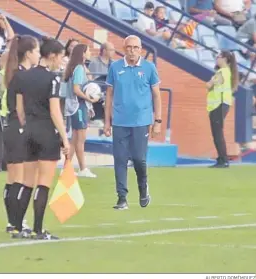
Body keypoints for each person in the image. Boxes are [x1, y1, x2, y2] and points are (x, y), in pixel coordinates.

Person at [15, 37, 69, 240]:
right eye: (61, 57)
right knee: (43, 183)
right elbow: (55, 112)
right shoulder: (53, 79)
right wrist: (65, 137)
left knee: (27, 182)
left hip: (28, 130)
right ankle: (38, 229)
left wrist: (27, 125)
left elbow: (19, 110)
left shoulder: (24, 76)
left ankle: (19, 227)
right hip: (46, 132)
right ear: (52, 56)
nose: (62, 61)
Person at [104, 35, 162, 210]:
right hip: (120, 121)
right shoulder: (115, 67)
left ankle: (143, 189)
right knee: (120, 160)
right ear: (124, 48)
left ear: (140, 49)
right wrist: (107, 122)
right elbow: (109, 96)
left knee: (138, 159)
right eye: (129, 47)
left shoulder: (149, 67)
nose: (132, 51)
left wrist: (157, 120)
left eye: (136, 47)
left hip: (141, 121)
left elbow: (157, 95)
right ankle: (122, 197)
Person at [4, 35, 40, 235]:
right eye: (36, 51)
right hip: (19, 127)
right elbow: (23, 107)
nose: (38, 55)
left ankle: (13, 222)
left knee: (13, 179)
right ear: (28, 54)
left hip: (12, 127)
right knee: (19, 179)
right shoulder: (23, 76)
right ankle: (18, 222)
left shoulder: (16, 74)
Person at [64, 44, 98, 178]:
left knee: (75, 138)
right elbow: (76, 89)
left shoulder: (78, 67)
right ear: (83, 53)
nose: (90, 53)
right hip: (78, 105)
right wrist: (88, 98)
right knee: (80, 139)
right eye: (88, 50)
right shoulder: (78, 68)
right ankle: (83, 168)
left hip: (76, 106)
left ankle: (67, 167)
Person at [206, 51, 239, 168]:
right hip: (219, 105)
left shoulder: (222, 72)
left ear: (224, 59)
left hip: (219, 105)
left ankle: (223, 160)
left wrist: (210, 82)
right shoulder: (225, 72)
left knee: (217, 133)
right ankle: (221, 159)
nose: (217, 58)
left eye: (218, 57)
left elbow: (209, 85)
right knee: (217, 133)